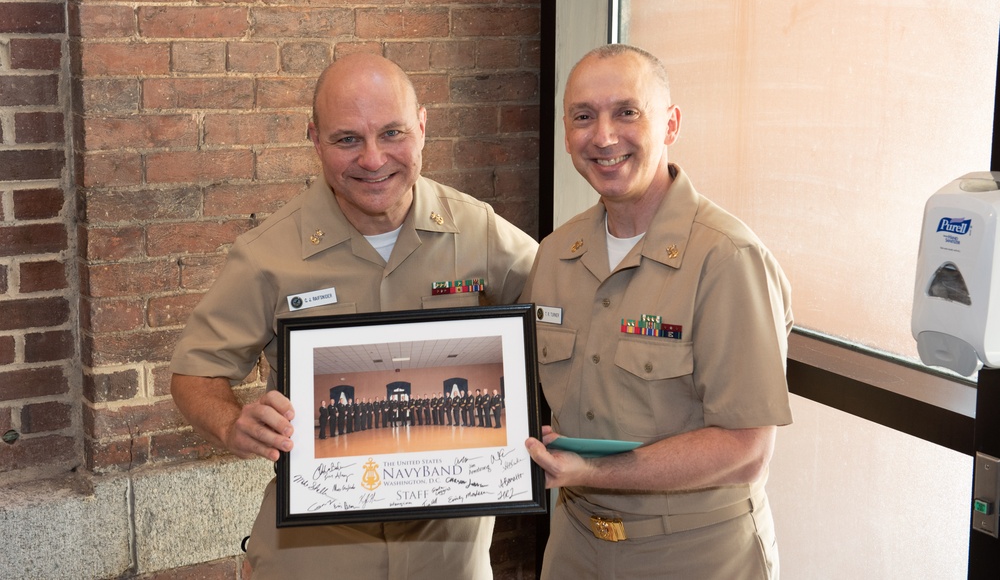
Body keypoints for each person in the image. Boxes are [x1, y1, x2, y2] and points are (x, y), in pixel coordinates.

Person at [170, 53, 538, 580]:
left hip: (448, 556)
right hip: (315, 556)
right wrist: (233, 424)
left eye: (392, 133)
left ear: (422, 127)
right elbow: (195, 372)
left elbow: (563, 317)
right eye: (347, 139)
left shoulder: (480, 233)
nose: (373, 158)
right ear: (314, 139)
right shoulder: (267, 254)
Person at [520, 44, 793, 579]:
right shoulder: (555, 255)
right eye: (583, 117)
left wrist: (592, 470)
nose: (603, 136)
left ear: (670, 124)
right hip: (575, 547)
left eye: (627, 112)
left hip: (696, 555)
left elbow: (746, 450)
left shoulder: (727, 258)